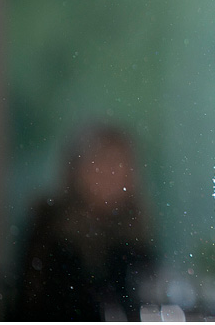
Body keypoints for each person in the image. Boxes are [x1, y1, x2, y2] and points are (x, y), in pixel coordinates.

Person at [14, 123, 156, 321]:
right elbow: (35, 304)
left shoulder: (132, 232)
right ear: (77, 171)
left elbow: (144, 296)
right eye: (101, 163)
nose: (111, 174)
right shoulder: (51, 227)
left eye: (120, 164)